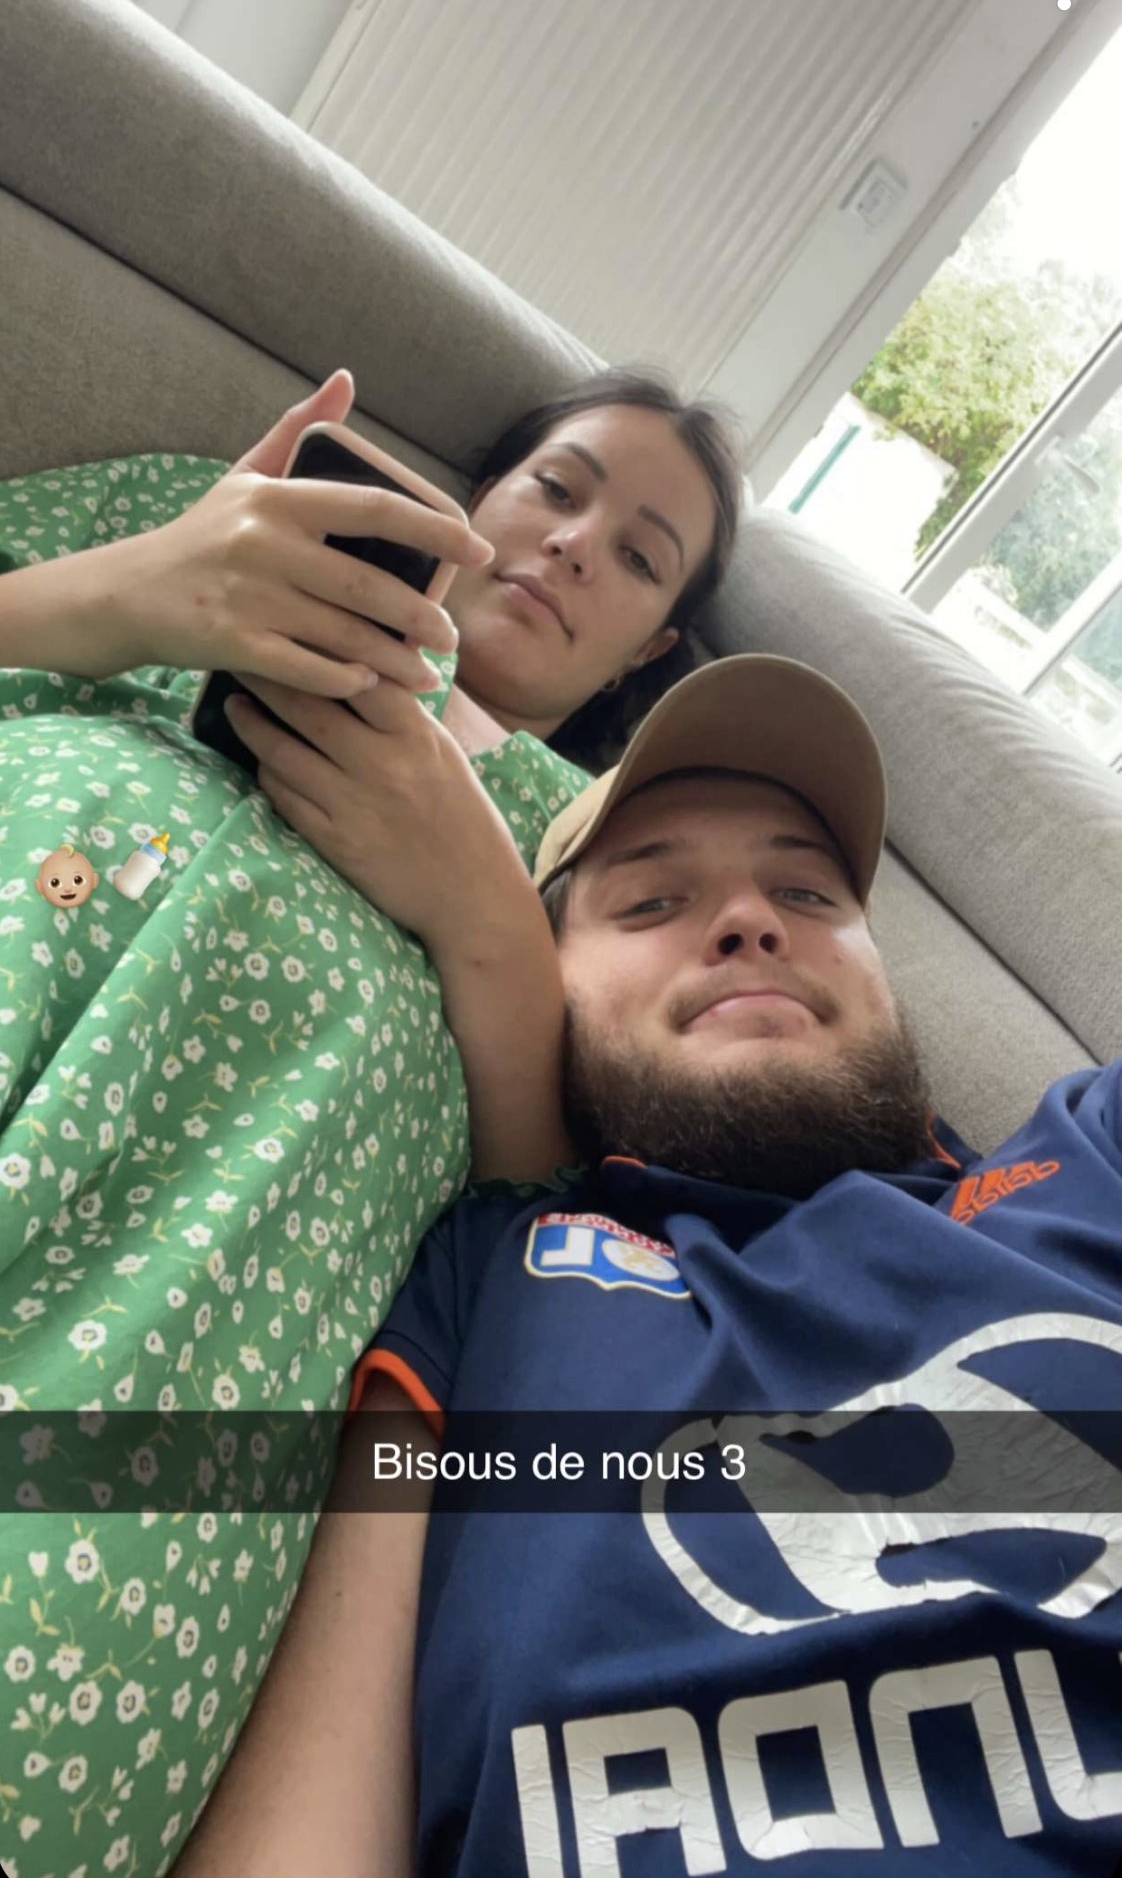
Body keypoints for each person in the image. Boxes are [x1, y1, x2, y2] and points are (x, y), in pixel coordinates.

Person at [175, 655, 1122, 1878]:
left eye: (806, 890)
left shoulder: (1089, 1156)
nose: (750, 921)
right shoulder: (486, 1277)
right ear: (551, 980)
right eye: (650, 903)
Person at [0, 367, 743, 1878]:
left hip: (191, 1312)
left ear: (649, 646)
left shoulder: (602, 842)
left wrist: (489, 922)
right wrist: (127, 596)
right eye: (557, 486)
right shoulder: (198, 514)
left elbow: (550, 1231)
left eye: (640, 554)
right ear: (479, 498)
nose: (575, 541)